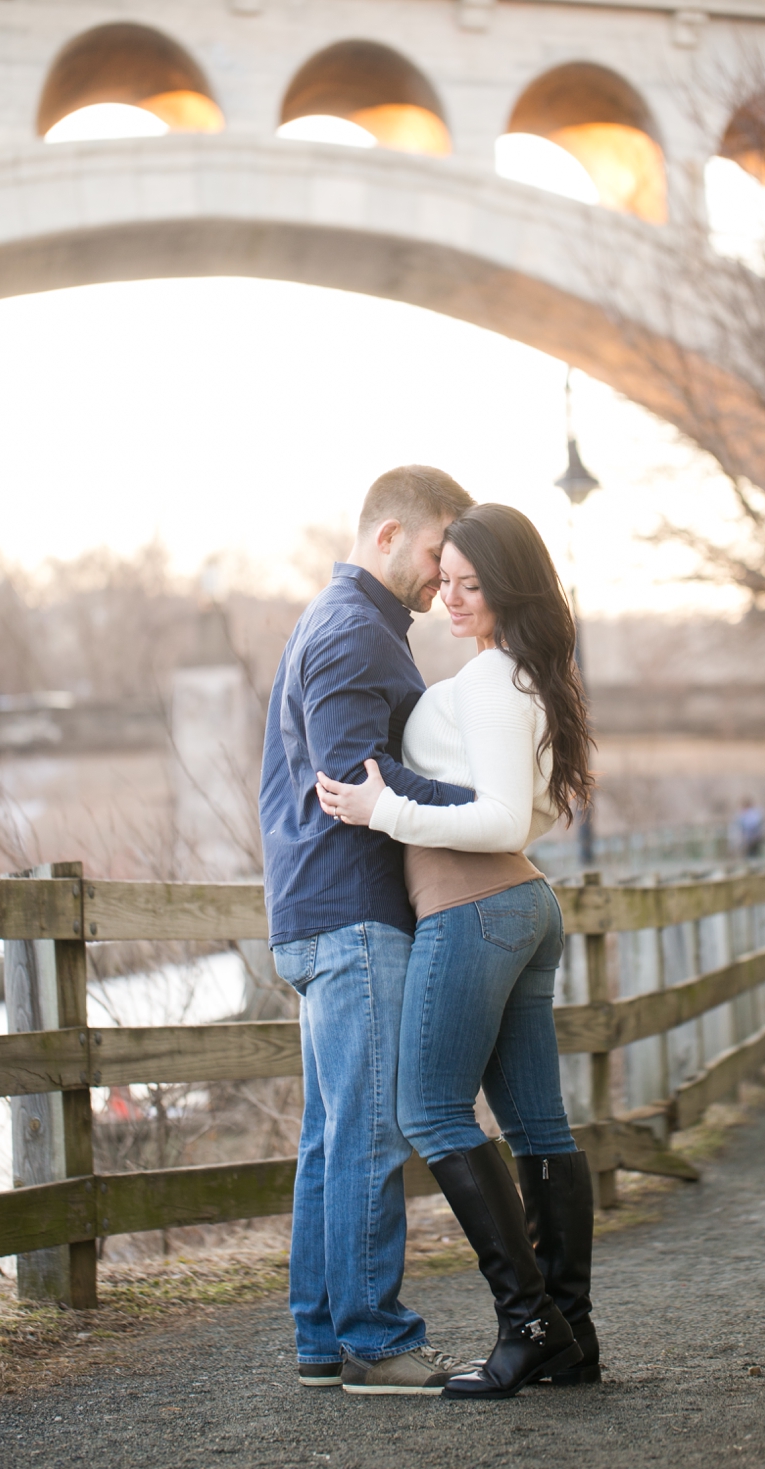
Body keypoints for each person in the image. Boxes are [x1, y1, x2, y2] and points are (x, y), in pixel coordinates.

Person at [317, 503, 600, 1402]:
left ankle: (528, 1326)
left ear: (509, 587)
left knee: (431, 1110)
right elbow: (539, 816)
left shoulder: (489, 684)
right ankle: (569, 1336)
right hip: (520, 907)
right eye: (446, 583)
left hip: (474, 910)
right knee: (537, 1127)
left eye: (471, 586)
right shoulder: (525, 681)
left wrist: (383, 811)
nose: (450, 599)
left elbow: (506, 819)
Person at [260, 465, 477, 1394]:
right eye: (438, 552)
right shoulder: (354, 634)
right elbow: (354, 780)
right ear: (388, 535)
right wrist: (483, 801)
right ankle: (375, 1342)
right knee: (372, 1133)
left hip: (317, 910)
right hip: (351, 912)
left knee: (333, 1134)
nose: (444, 575)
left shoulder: (340, 623)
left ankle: (322, 1336)